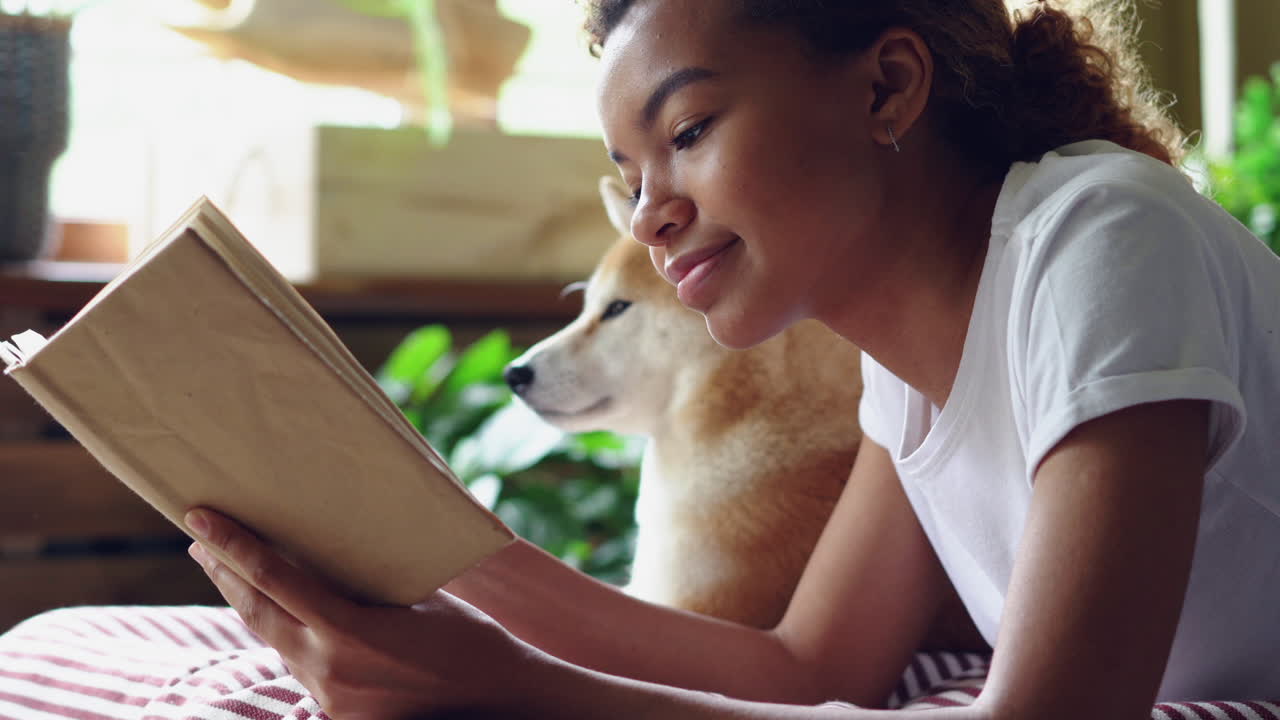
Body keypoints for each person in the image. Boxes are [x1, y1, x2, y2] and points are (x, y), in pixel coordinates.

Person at [182, 0, 1280, 717]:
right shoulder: (914, 359)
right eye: (630, 174)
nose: (648, 217)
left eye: (688, 132)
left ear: (886, 88)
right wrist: (446, 553)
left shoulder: (1102, 239)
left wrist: (515, 692)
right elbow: (807, 667)